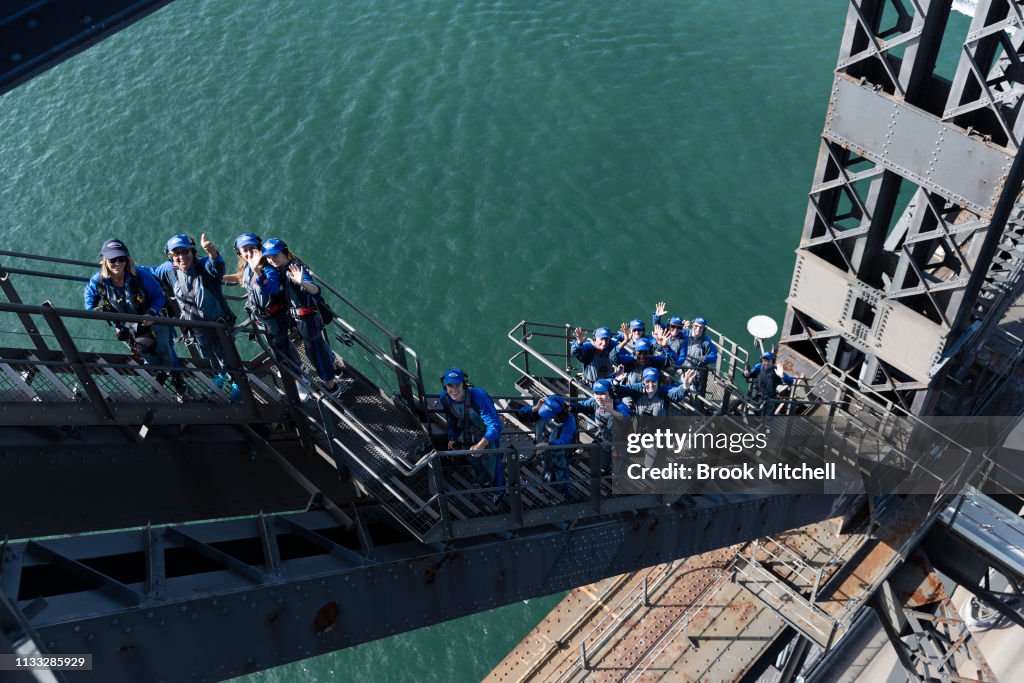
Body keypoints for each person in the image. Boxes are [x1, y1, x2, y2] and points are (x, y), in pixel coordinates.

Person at [83, 238, 187, 399]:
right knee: (145, 353)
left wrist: (151, 313)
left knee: (165, 352)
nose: (117, 263)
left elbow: (158, 296)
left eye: (121, 259)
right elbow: (89, 295)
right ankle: (160, 372)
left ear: (127, 259)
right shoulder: (99, 281)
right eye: (112, 260)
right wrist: (92, 308)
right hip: (127, 327)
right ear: (105, 261)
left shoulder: (140, 276)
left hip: (152, 321)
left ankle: (176, 378)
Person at [151, 233, 239, 401]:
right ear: (170, 257)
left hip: (218, 324)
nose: (182, 257)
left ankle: (236, 381)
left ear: (192, 251)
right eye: (176, 254)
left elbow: (217, 268)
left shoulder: (204, 265)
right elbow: (149, 273)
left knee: (225, 354)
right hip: (196, 327)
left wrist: (212, 252)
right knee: (208, 353)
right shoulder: (169, 270)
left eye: (185, 251)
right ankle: (221, 374)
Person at [262, 238, 345, 397]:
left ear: (284, 252)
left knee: (315, 352)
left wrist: (302, 282)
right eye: (268, 257)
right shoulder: (281, 268)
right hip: (305, 318)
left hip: (308, 320)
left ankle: (330, 386)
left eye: (275, 255)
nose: (272, 260)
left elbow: (315, 290)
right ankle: (335, 369)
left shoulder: (294, 269)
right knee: (319, 345)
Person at [235, 233, 306, 399]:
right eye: (244, 250)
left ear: (259, 248)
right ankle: (291, 369)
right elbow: (242, 280)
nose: (249, 252)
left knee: (282, 347)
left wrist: (257, 271)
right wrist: (221, 279)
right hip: (260, 318)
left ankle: (301, 378)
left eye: (252, 248)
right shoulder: (247, 267)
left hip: (273, 317)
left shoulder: (267, 269)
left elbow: (271, 288)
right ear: (239, 253)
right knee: (276, 347)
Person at [439, 367, 504, 493]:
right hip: (468, 434)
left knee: (493, 463)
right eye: (449, 386)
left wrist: (481, 445)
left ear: (464, 384)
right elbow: (451, 418)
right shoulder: (445, 398)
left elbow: (495, 425)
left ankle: (500, 491)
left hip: (487, 436)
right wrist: (452, 437)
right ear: (445, 386)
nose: (454, 390)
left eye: (457, 385)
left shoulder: (478, 396)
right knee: (473, 459)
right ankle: (485, 483)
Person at [571, 379, 631, 476]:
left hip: (619, 444)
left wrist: (611, 411)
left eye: (602, 393)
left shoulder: (619, 406)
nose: (599, 397)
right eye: (596, 393)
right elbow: (582, 405)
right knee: (599, 468)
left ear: (610, 393)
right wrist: (569, 408)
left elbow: (626, 418)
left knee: (617, 475)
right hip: (604, 439)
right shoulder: (595, 402)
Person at [519, 394, 578, 485]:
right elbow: (521, 414)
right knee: (547, 470)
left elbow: (565, 440)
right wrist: (536, 408)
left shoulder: (569, 420)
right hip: (542, 449)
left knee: (561, 473)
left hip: (558, 453)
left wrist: (548, 445)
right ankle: (549, 483)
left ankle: (562, 491)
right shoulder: (541, 409)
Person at [668, 316, 718, 401]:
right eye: (696, 326)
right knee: (672, 384)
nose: (698, 329)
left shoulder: (706, 341)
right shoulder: (685, 333)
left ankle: (692, 405)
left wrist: (705, 358)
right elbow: (671, 332)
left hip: (693, 371)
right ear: (692, 326)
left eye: (701, 327)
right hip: (680, 367)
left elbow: (714, 356)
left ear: (704, 329)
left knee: (694, 392)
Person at [615, 367, 698, 417]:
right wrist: (616, 381)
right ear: (643, 381)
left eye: (654, 381)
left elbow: (677, 394)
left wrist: (685, 385)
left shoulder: (663, 391)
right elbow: (619, 391)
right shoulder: (637, 389)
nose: (651, 385)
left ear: (658, 381)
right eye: (648, 381)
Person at [743, 351, 799, 418]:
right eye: (764, 361)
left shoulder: (776, 371)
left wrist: (782, 376)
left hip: (770, 398)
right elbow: (750, 374)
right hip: (758, 395)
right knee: (756, 412)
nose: (766, 363)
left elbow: (791, 381)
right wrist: (745, 374)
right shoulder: (758, 367)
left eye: (768, 361)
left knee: (768, 416)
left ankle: (767, 426)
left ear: (772, 361)